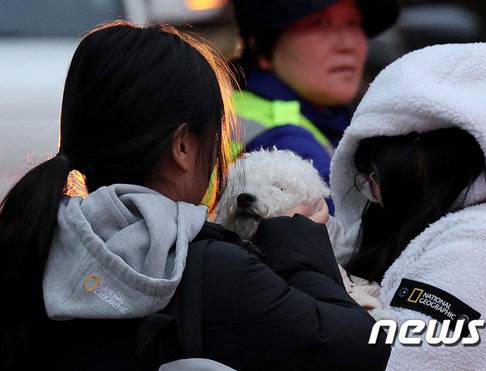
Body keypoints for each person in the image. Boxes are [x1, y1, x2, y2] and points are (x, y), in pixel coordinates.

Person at [0, 21, 392, 371]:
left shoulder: (27, 240)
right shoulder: (213, 271)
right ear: (183, 147)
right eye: (217, 135)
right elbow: (369, 348)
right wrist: (298, 245)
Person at [328, 43, 486, 369]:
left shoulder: (481, 248)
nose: (374, 194)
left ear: (424, 164)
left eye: (377, 176)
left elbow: (398, 361)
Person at [231, 0, 399, 212]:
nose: (347, 44)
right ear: (262, 47)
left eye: (353, 23)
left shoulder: (324, 116)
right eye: (319, 24)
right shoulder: (285, 141)